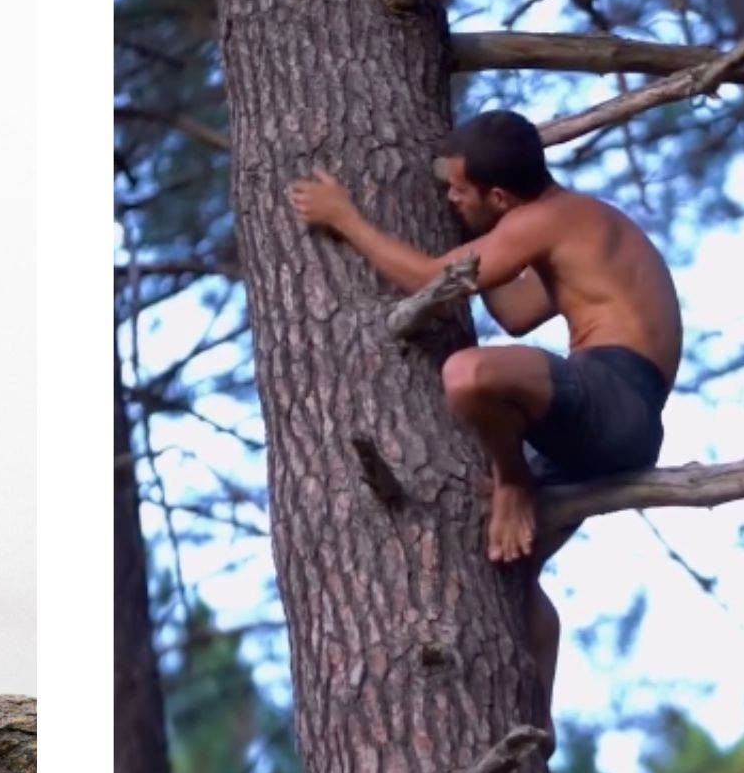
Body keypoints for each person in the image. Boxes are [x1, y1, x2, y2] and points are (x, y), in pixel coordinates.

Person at [288, 109, 682, 715]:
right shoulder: (577, 221)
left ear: (500, 196)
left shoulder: (543, 220)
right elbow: (519, 312)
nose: (447, 197)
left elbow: (427, 283)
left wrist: (346, 220)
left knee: (467, 373)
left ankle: (512, 482)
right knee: (505, 569)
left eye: (458, 190)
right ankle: (536, 727)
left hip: (612, 399)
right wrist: (471, 242)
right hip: (619, 420)